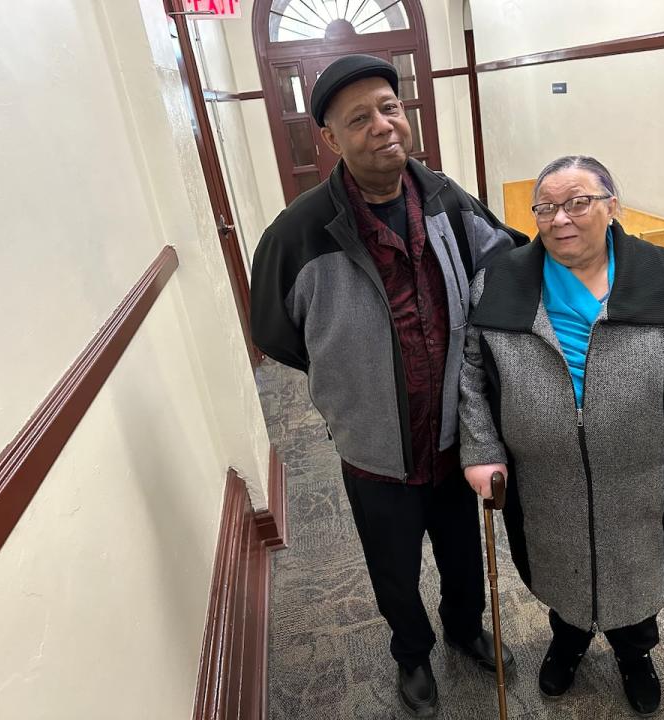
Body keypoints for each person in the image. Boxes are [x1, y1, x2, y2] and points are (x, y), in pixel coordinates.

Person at [250, 55, 525, 718]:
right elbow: (277, 333)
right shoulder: (298, 234)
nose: (382, 125)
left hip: (457, 435)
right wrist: (349, 384)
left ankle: (463, 629)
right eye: (359, 118)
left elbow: (512, 267)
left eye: (390, 107)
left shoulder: (448, 199)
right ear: (331, 139)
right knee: (394, 569)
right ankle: (412, 654)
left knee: (463, 555)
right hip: (375, 451)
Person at [459, 155, 664, 716]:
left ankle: (635, 655)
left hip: (643, 480)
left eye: (579, 202)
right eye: (547, 207)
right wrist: (482, 451)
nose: (562, 218)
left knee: (638, 580)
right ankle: (568, 643)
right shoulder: (499, 281)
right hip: (545, 481)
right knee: (558, 570)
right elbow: (471, 375)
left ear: (613, 206)